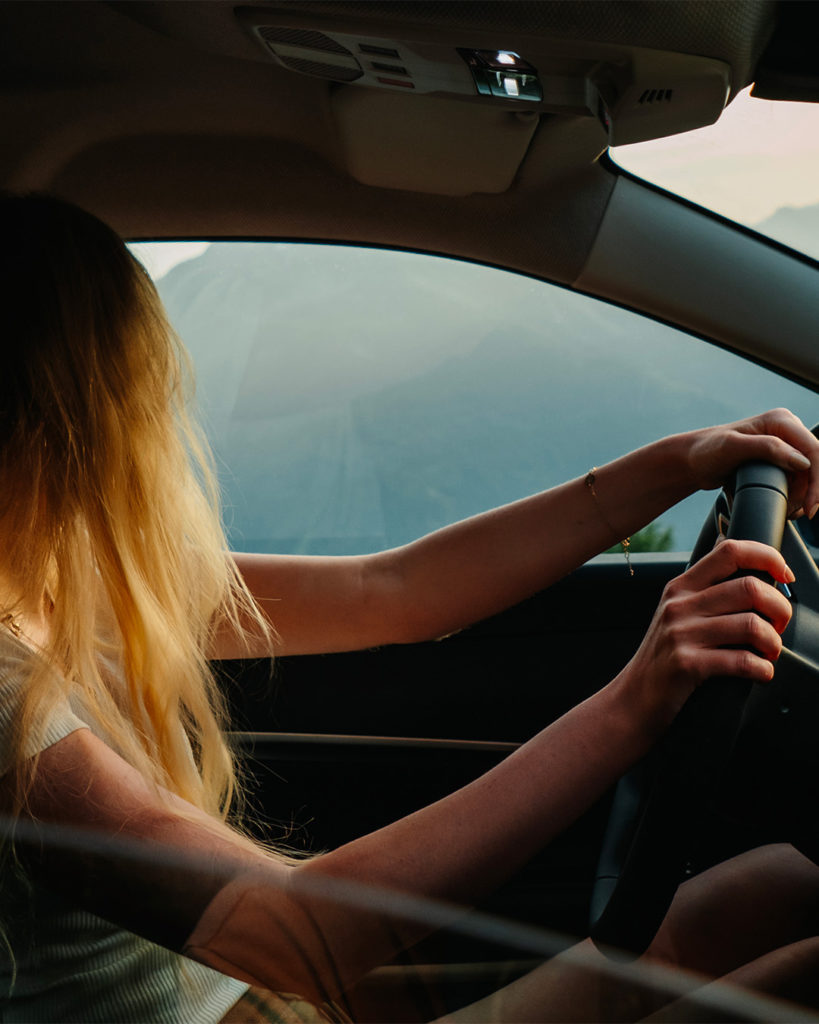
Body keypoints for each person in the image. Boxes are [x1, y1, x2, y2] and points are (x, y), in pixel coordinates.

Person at [1, 191, 819, 1024]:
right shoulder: (6, 697)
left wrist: (680, 461)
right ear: (76, 422)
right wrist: (631, 704)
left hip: (262, 1009)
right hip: (275, 1002)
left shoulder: (71, 582)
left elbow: (393, 593)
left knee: (782, 889)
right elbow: (297, 939)